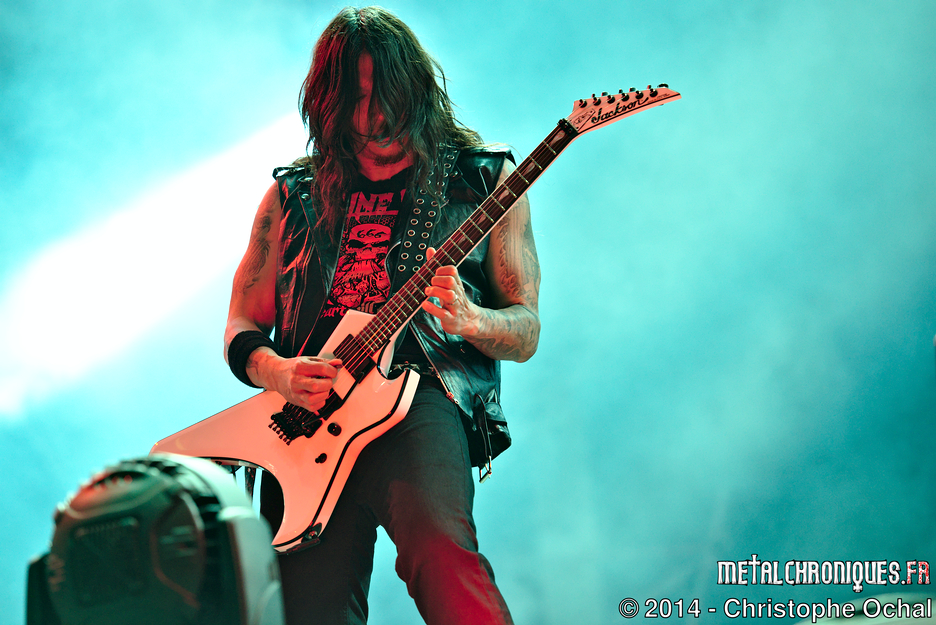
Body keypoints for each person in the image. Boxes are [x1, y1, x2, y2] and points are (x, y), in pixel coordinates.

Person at [223, 6, 540, 625]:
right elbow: (241, 325)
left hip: (418, 400)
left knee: (441, 555)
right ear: (328, 105)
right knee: (307, 608)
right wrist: (280, 372)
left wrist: (472, 319)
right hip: (305, 422)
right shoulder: (290, 197)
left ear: (416, 89)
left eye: (386, 94)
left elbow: (526, 329)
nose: (374, 116)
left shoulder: (483, 180)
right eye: (356, 99)